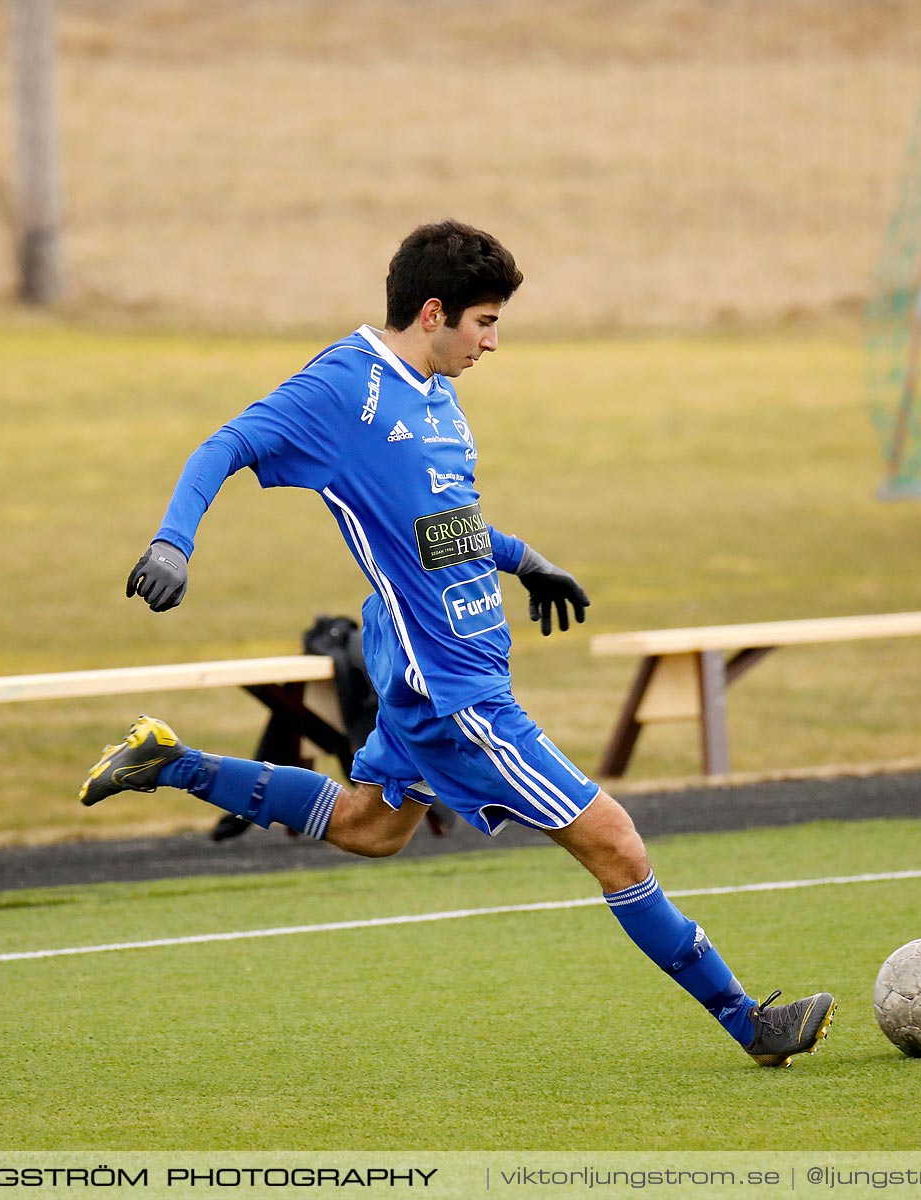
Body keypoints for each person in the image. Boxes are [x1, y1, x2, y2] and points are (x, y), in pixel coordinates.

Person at [81, 221, 835, 1066]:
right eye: (484, 321)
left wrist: (522, 559)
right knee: (616, 844)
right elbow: (225, 445)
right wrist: (172, 542)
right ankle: (750, 1024)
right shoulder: (344, 388)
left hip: (431, 663)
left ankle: (168, 760)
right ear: (433, 311)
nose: (493, 341)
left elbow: (442, 522)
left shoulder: (437, 392)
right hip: (455, 689)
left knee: (371, 827)